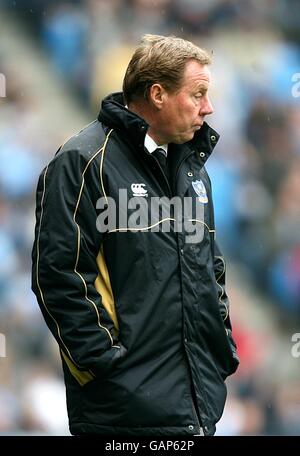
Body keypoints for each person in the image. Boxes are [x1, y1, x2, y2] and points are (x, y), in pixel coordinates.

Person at [31, 34, 239, 437]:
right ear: (158, 94)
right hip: (121, 415)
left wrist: (221, 350)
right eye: (198, 94)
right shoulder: (82, 160)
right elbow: (57, 275)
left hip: (196, 409)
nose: (208, 108)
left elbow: (211, 268)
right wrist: (104, 366)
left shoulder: (194, 169)